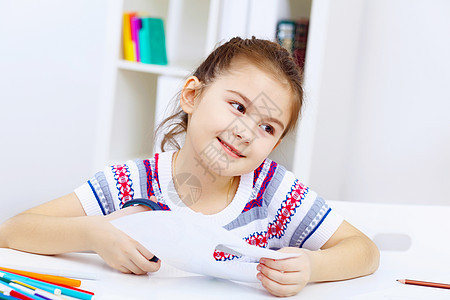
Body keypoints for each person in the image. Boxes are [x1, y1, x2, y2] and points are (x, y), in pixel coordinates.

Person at [0, 37, 379, 297]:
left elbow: (364, 250)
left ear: (274, 146)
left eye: (267, 127)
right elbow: (14, 231)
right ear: (192, 95)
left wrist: (311, 267)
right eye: (238, 106)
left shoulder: (275, 193)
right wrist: (93, 234)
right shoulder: (130, 183)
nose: (246, 131)